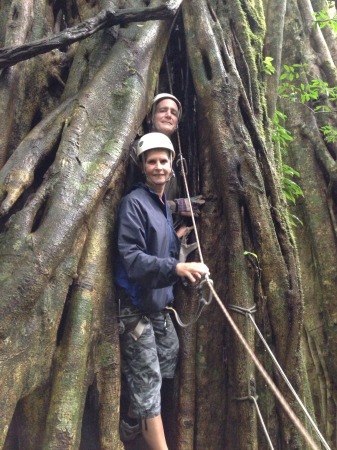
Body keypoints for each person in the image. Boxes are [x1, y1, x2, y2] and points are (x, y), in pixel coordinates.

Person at [115, 132, 210, 449]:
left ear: (171, 167)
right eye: (152, 161)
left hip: (158, 306)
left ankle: (132, 414)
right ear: (143, 166)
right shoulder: (134, 203)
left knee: (169, 355)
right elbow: (131, 259)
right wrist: (177, 268)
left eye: (163, 161)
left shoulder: (161, 205)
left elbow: (163, 246)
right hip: (135, 308)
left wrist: (181, 237)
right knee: (149, 380)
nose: (158, 166)